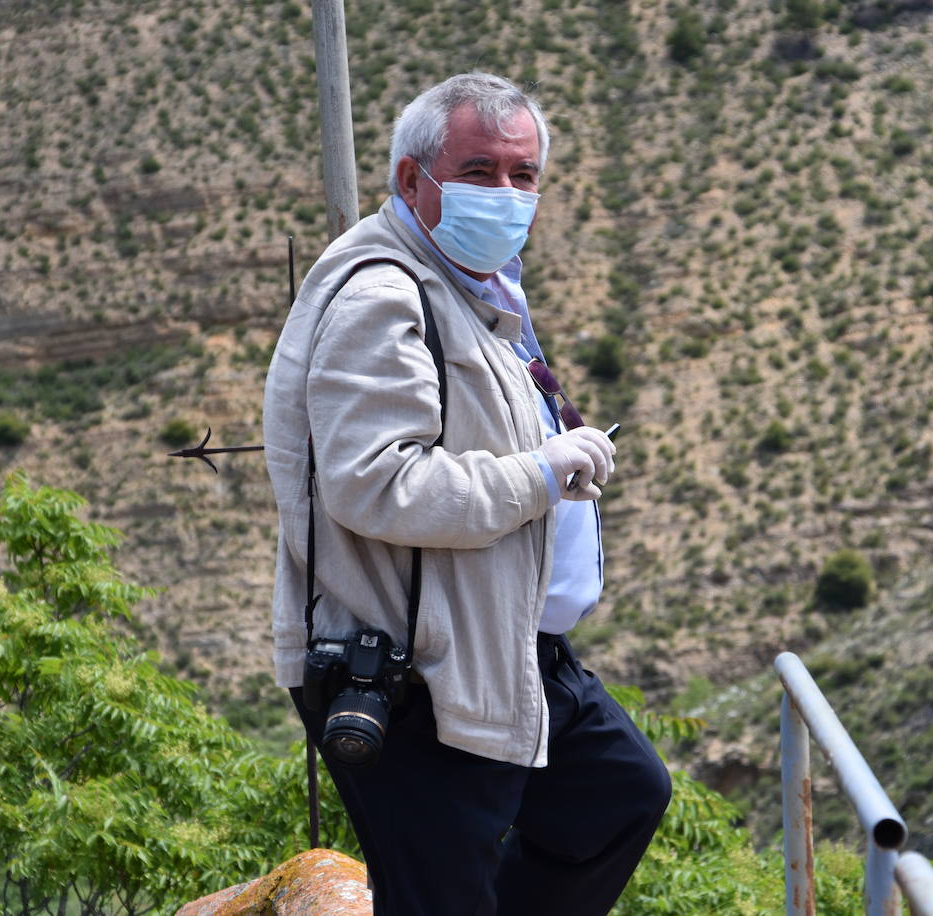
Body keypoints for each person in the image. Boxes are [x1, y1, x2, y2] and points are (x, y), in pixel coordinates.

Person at [262, 72, 671, 916]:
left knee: (620, 796)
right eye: (479, 171)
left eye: (524, 175)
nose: (507, 193)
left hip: (510, 647)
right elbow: (377, 483)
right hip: (417, 672)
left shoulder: (472, 282)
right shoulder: (384, 293)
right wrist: (541, 473)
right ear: (412, 180)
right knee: (444, 897)